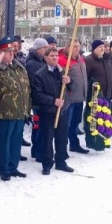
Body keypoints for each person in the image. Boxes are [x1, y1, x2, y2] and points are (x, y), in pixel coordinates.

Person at [0, 36, 31, 181]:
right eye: (8, 52)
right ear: (1, 53)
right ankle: (4, 168)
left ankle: (13, 167)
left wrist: (28, 108)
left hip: (20, 111)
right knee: (5, 142)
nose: (12, 53)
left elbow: (26, 89)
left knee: (15, 142)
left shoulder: (18, 67)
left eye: (12, 51)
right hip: (5, 112)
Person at [30, 47, 74, 175]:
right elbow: (37, 94)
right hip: (48, 113)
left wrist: (69, 81)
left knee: (62, 139)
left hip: (62, 111)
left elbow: (72, 87)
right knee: (47, 139)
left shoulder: (62, 71)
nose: (55, 58)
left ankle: (61, 162)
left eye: (56, 55)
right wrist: (53, 101)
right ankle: (47, 164)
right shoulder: (39, 74)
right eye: (51, 56)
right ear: (45, 58)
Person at [58, 38, 89, 154]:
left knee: (76, 122)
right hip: (69, 98)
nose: (77, 49)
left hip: (80, 97)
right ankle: (62, 149)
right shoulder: (62, 60)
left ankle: (74, 144)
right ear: (67, 48)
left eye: (78, 46)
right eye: (74, 46)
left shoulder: (81, 59)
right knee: (67, 124)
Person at [84, 39, 112, 151]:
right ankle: (92, 141)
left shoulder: (106, 59)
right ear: (94, 49)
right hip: (94, 96)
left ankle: (103, 140)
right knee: (92, 119)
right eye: (99, 47)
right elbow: (86, 79)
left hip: (106, 95)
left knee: (104, 118)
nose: (102, 49)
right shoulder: (88, 60)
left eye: (103, 46)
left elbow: (111, 78)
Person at [25, 38, 48, 161]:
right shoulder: (32, 63)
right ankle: (37, 151)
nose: (46, 49)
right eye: (45, 48)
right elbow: (36, 82)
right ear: (39, 49)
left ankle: (40, 150)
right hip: (37, 100)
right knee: (37, 126)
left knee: (42, 126)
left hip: (43, 99)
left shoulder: (42, 60)